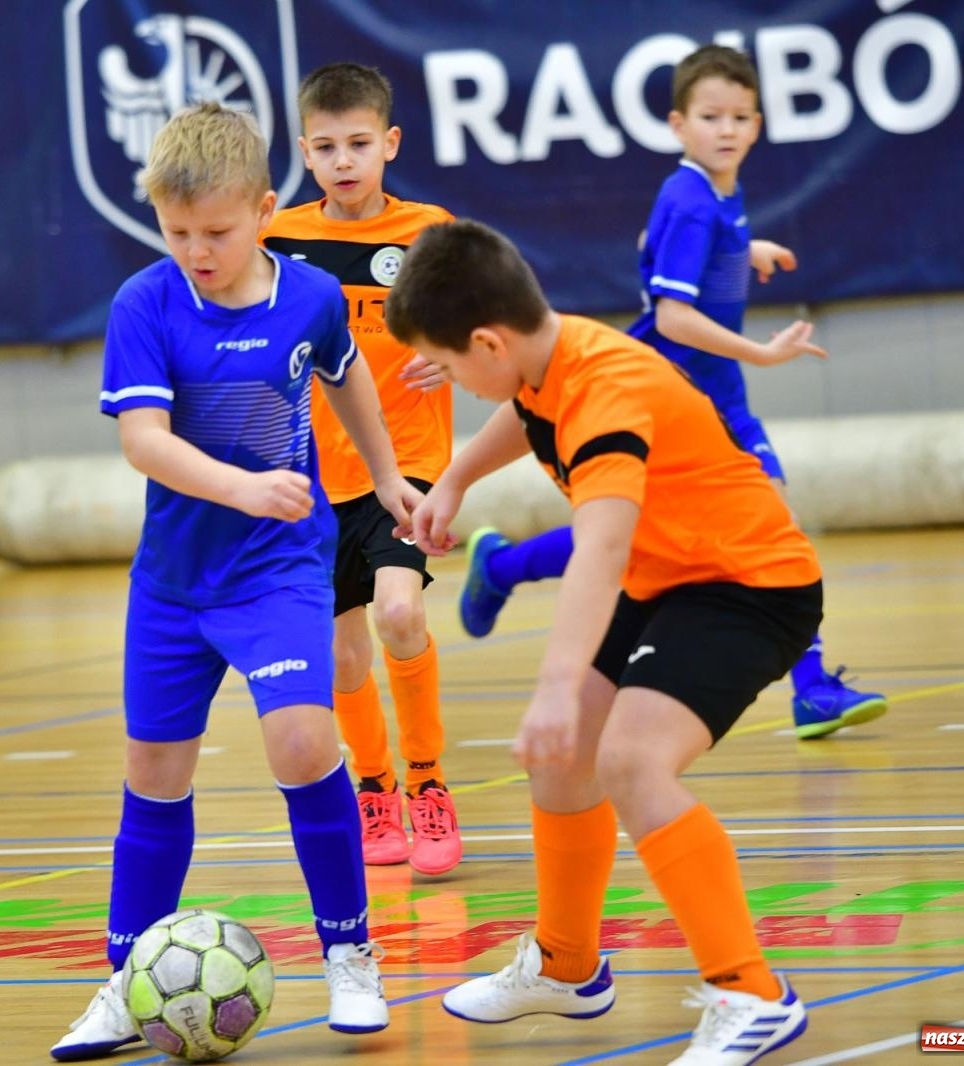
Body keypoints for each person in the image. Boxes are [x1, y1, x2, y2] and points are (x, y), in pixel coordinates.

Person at [386, 217, 814, 1065]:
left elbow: (602, 548)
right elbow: (523, 410)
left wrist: (555, 684)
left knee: (628, 761)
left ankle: (751, 992)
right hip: (670, 580)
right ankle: (567, 967)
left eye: (456, 367)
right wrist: (459, 477)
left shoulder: (605, 390)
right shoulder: (553, 352)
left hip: (748, 586)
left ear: (487, 340)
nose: (460, 386)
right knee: (562, 758)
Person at [50, 101, 422, 1061]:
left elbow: (347, 377)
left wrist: (384, 477)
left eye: (215, 232)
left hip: (278, 573)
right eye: (177, 233)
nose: (197, 251)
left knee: (304, 741)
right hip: (174, 585)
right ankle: (125, 983)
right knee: (154, 779)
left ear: (263, 209)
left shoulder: (307, 298)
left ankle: (352, 954)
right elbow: (145, 441)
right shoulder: (145, 303)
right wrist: (245, 485)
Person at [455, 44, 886, 741]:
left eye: (740, 116)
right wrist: (765, 353)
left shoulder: (711, 194)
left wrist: (745, 253)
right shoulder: (690, 199)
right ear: (678, 123)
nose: (727, 129)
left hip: (713, 393)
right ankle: (809, 688)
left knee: (678, 536)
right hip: (673, 391)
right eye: (711, 116)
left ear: (757, 123)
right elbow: (676, 314)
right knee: (715, 530)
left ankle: (502, 565)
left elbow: (659, 244)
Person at [261, 63, 461, 874]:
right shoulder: (280, 242)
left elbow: (481, 322)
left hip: (404, 465)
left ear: (390, 143)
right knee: (342, 656)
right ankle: (371, 788)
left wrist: (451, 358)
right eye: (327, 147)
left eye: (359, 144)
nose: (344, 160)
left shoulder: (429, 231)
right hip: (311, 478)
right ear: (306, 154)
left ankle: (427, 783)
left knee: (401, 614)